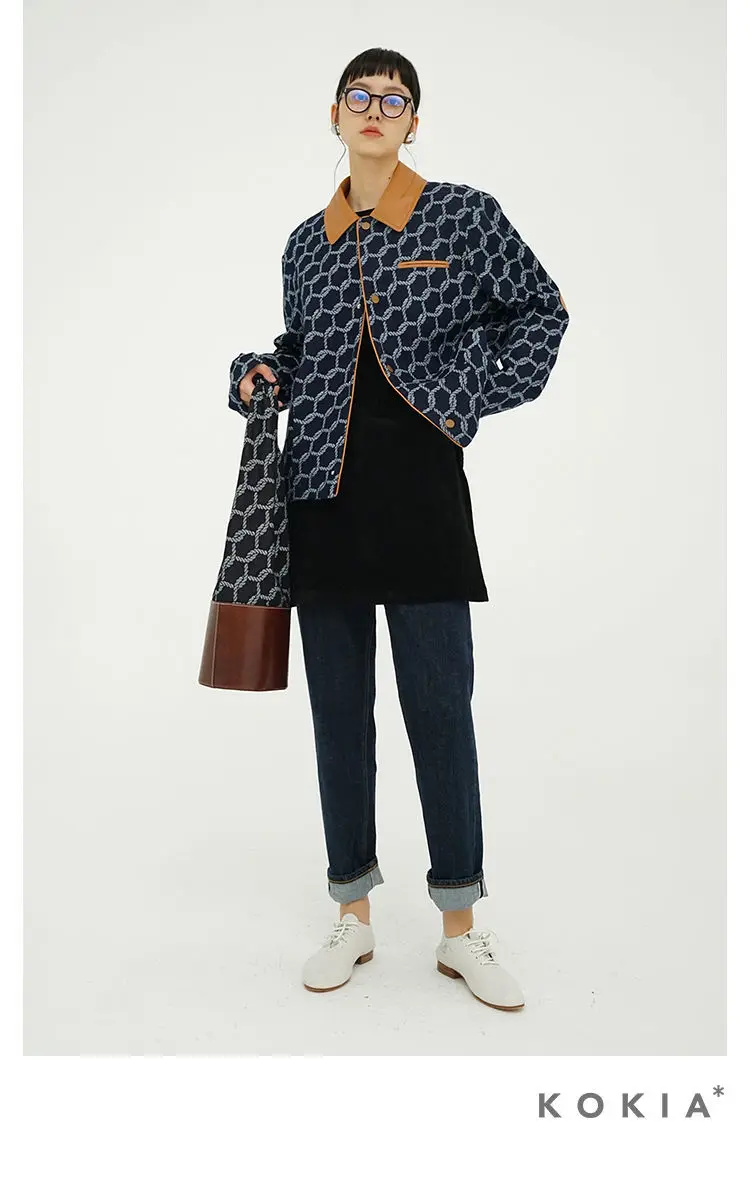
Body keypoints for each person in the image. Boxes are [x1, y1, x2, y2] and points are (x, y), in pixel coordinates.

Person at [230, 47, 569, 1011]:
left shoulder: (462, 215)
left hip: (422, 499)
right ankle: (353, 912)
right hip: (321, 499)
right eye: (360, 96)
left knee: (440, 713)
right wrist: (259, 371)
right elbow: (303, 349)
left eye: (395, 99)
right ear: (334, 115)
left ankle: (461, 927)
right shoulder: (307, 243)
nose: (376, 109)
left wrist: (460, 395)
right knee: (339, 715)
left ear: (414, 121)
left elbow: (540, 314)